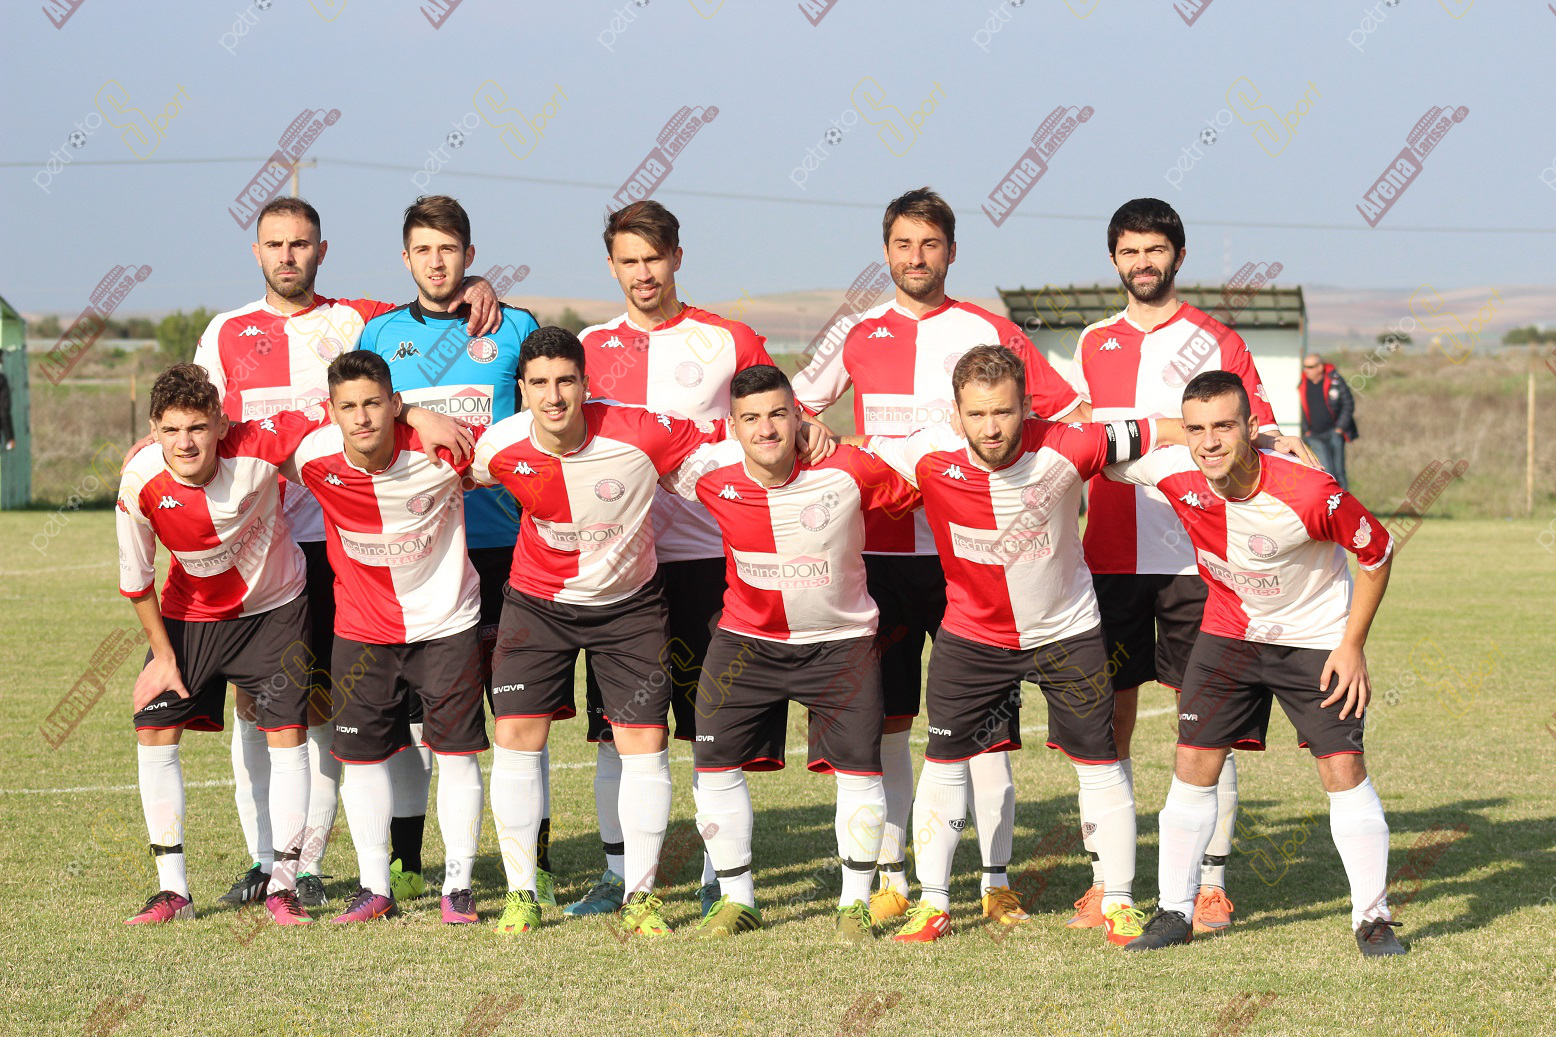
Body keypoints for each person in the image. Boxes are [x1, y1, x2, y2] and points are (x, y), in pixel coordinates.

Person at [192, 196, 500, 909]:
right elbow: (204, 424)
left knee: (334, 709)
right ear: (257, 251)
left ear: (321, 251)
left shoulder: (356, 319)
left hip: (337, 542)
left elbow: (428, 312)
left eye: (301, 243)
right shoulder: (226, 331)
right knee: (258, 707)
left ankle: (312, 863)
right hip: (255, 545)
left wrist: (478, 289)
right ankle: (266, 858)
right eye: (275, 244)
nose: (288, 255)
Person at [792, 187, 1088, 929]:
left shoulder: (990, 331)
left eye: (929, 244)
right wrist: (816, 433)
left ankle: (996, 881)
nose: (916, 257)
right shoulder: (857, 331)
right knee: (890, 723)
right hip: (880, 557)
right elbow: (791, 407)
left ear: (952, 251)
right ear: (885, 252)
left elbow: (1067, 413)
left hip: (977, 560)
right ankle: (895, 877)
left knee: (984, 734)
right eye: (903, 244)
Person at [860, 345, 1173, 945]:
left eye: (1003, 412)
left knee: (1099, 763)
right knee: (943, 762)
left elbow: (1168, 429)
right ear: (955, 413)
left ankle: (1119, 901)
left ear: (1027, 405)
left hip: (1066, 632)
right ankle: (933, 903)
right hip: (971, 637)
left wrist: (1262, 438)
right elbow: (842, 453)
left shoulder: (1070, 443)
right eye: (977, 414)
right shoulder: (925, 449)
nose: (991, 428)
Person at [1106, 371, 1404, 958]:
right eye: (1197, 429)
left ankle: (1373, 920)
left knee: (1342, 770)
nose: (1210, 442)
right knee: (1192, 764)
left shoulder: (1310, 490)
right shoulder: (1174, 470)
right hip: (1229, 637)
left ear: (1251, 427)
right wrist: (1172, 432)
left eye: (1224, 426)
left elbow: (1378, 550)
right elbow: (1101, 449)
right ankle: (1174, 912)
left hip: (1314, 641)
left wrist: (1352, 645)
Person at [1062, 197, 1289, 936]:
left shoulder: (1218, 339)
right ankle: (1109, 881)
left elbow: (1264, 434)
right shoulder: (1093, 341)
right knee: (1108, 719)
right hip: (1109, 558)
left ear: (1178, 257)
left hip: (1201, 560)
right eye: (1130, 251)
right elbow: (1076, 435)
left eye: (1155, 249)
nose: (1143, 263)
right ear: (1114, 259)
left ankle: (1210, 885)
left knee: (1206, 720)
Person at [468, 327, 736, 938]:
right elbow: (459, 468)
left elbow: (724, 441)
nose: (554, 396)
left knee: (643, 743)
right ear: (522, 390)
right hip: (537, 604)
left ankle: (639, 898)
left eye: (566, 381)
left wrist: (804, 432)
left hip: (629, 607)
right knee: (516, 737)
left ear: (586, 384)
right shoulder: (501, 444)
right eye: (540, 383)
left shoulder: (639, 431)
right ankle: (522, 894)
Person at [570, 200, 783, 918]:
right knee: (618, 733)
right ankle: (618, 876)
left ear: (677, 259)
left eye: (653, 259)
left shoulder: (728, 340)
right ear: (611, 266)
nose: (643, 274)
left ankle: (720, 876)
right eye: (628, 261)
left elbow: (779, 422)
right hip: (618, 569)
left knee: (709, 729)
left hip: (709, 562)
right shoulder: (588, 347)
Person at [661, 364, 917, 942]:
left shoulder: (848, 467)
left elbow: (914, 479)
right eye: (751, 418)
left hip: (841, 644)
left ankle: (855, 903)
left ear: (800, 416)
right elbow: (648, 448)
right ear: (732, 426)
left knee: (860, 770)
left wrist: (843, 438)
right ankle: (737, 900)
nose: (766, 429)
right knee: (713, 765)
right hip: (746, 644)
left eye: (779, 414)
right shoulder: (711, 471)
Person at [357, 195, 547, 907]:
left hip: (504, 546)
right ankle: (408, 862)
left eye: (448, 249)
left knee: (519, 714)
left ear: (470, 255)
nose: (436, 262)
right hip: (415, 553)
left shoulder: (514, 326)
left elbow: (548, 412)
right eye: (423, 250)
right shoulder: (381, 333)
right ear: (405, 259)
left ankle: (534, 861)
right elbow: (355, 406)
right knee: (414, 717)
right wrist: (414, 410)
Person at [286, 351, 488, 925]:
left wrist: (424, 417)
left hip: (447, 624)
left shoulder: (443, 449)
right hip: (361, 631)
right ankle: (375, 887)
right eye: (348, 406)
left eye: (374, 403)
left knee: (457, 756)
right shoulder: (312, 457)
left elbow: (517, 454)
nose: (362, 417)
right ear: (331, 412)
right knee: (362, 759)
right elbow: (232, 441)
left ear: (395, 403)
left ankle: (458, 887)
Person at [118, 364, 320, 926]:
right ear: (153, 430)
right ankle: (173, 892)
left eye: (198, 428)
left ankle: (283, 885)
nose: (185, 443)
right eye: (171, 429)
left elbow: (338, 411)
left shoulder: (258, 444)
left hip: (275, 610)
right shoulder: (138, 481)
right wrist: (164, 657)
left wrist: (414, 414)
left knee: (287, 733)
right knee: (153, 726)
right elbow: (137, 581)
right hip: (192, 615)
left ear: (222, 425)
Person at [1299, 353, 1357, 490]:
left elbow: (1348, 404)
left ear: (1320, 367)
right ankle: (1331, 501)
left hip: (1334, 433)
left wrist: (1340, 428)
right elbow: (1303, 408)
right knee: (1328, 472)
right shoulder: (1303, 384)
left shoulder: (1335, 381)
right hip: (1314, 436)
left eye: (1310, 367)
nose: (1306, 370)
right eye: (1305, 367)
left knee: (1339, 472)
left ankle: (1344, 501)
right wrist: (1306, 431)